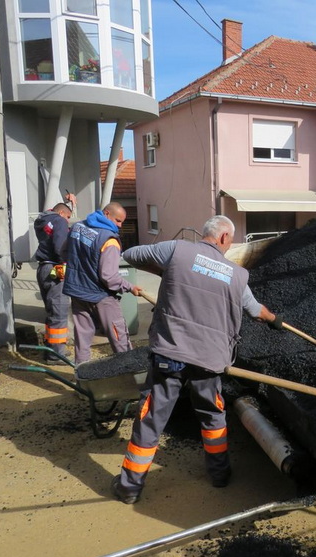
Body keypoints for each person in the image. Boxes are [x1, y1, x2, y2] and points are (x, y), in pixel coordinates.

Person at [111, 215, 281, 503]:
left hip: (170, 353)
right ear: (224, 237)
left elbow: (130, 255)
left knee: (151, 419)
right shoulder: (237, 275)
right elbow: (255, 311)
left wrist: (166, 271)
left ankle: (129, 488)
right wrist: (275, 319)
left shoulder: (176, 250)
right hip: (209, 361)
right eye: (230, 241)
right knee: (213, 416)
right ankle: (219, 475)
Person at [62, 202, 141, 365]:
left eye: (122, 222)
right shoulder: (109, 240)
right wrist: (130, 287)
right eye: (118, 220)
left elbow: (64, 252)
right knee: (118, 335)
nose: (120, 226)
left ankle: (81, 374)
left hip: (77, 292)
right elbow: (109, 277)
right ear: (106, 214)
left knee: (82, 338)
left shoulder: (77, 227)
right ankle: (128, 370)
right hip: (101, 296)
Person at [33, 193, 76, 363]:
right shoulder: (59, 221)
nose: (68, 220)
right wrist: (67, 262)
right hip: (56, 268)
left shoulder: (42, 220)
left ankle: (51, 348)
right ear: (61, 213)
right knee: (59, 312)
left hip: (43, 268)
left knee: (52, 312)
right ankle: (56, 355)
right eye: (68, 217)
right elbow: (60, 247)